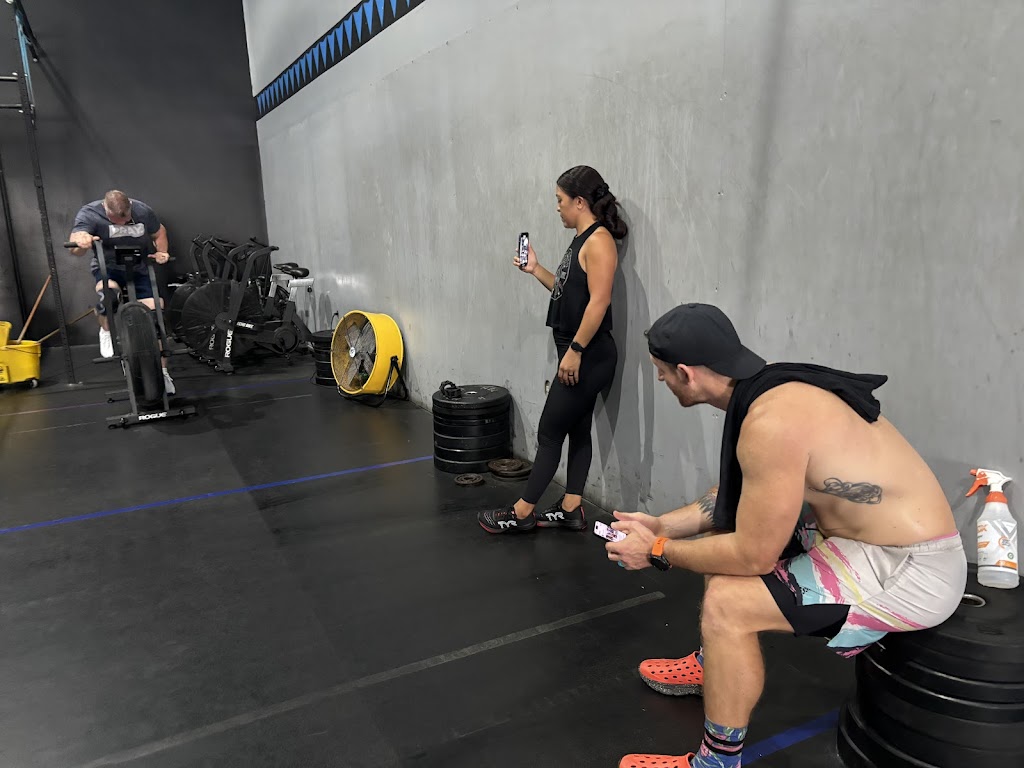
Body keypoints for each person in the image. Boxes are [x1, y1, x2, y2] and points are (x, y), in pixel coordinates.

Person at [606, 303, 967, 768]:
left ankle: (716, 762)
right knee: (727, 542)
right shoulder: (770, 390)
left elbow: (753, 556)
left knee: (728, 605)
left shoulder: (770, 423)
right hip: (866, 541)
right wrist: (661, 525)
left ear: (685, 373)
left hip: (912, 568)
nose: (660, 379)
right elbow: (736, 503)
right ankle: (715, 665)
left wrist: (657, 550)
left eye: (660, 371)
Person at [477, 166, 628, 534]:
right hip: (580, 351)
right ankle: (572, 508)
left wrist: (575, 349)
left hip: (588, 354)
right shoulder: (581, 240)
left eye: (560, 200)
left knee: (549, 432)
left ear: (580, 202)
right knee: (577, 428)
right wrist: (536, 269)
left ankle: (522, 512)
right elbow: (567, 294)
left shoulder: (599, 241)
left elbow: (599, 302)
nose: (557, 207)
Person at [67, 190, 175, 394]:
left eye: (126, 219)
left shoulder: (143, 211)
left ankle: (162, 373)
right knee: (108, 298)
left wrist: (162, 251)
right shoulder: (90, 213)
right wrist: (81, 242)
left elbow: (159, 231)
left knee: (156, 315)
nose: (124, 224)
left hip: (139, 268)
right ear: (106, 209)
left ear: (130, 208)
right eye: (117, 220)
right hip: (109, 268)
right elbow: (75, 248)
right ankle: (106, 331)